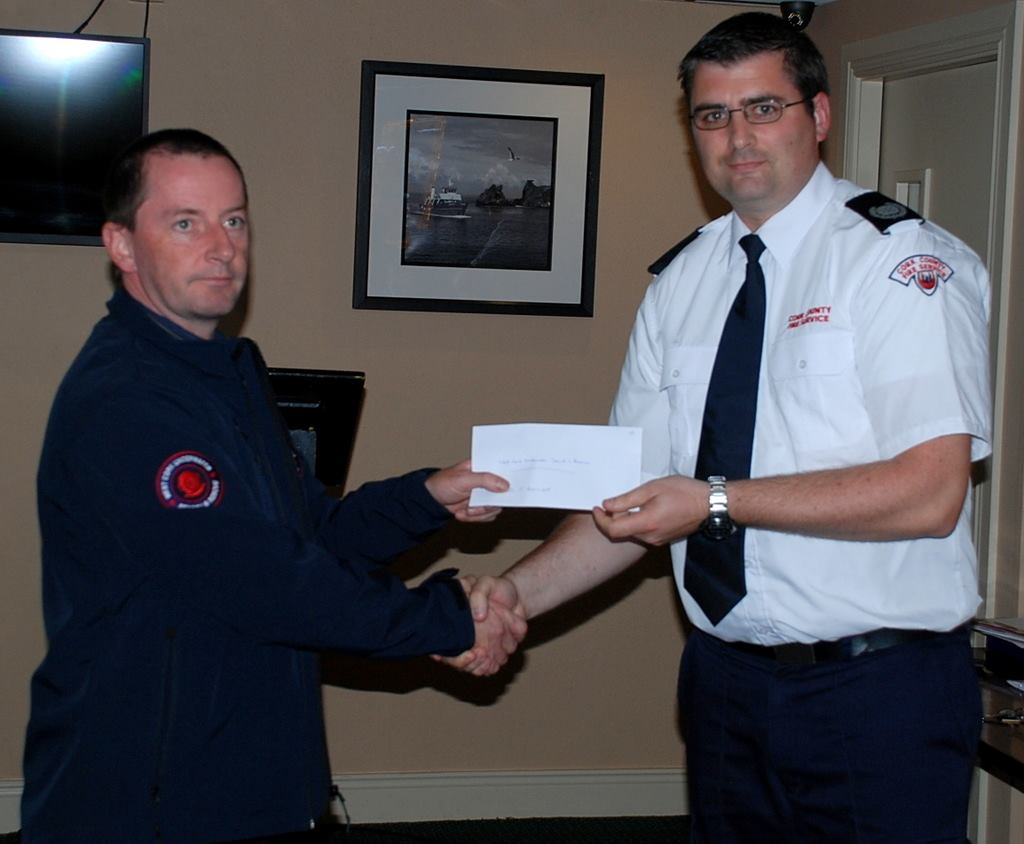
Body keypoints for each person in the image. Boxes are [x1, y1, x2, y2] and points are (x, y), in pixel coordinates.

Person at [460, 12, 991, 843]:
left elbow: (930, 494)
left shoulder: (898, 263)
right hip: (724, 688)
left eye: (763, 108)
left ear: (819, 115)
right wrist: (511, 598)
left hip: (878, 691)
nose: (738, 137)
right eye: (713, 115)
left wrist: (714, 500)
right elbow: (634, 498)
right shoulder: (682, 282)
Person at [21, 128, 526, 844]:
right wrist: (447, 619)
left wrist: (424, 499)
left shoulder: (227, 372)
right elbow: (269, 582)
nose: (221, 247)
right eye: (185, 223)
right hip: (151, 801)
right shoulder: (127, 401)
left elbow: (308, 532)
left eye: (233, 220)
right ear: (122, 245)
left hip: (247, 780)